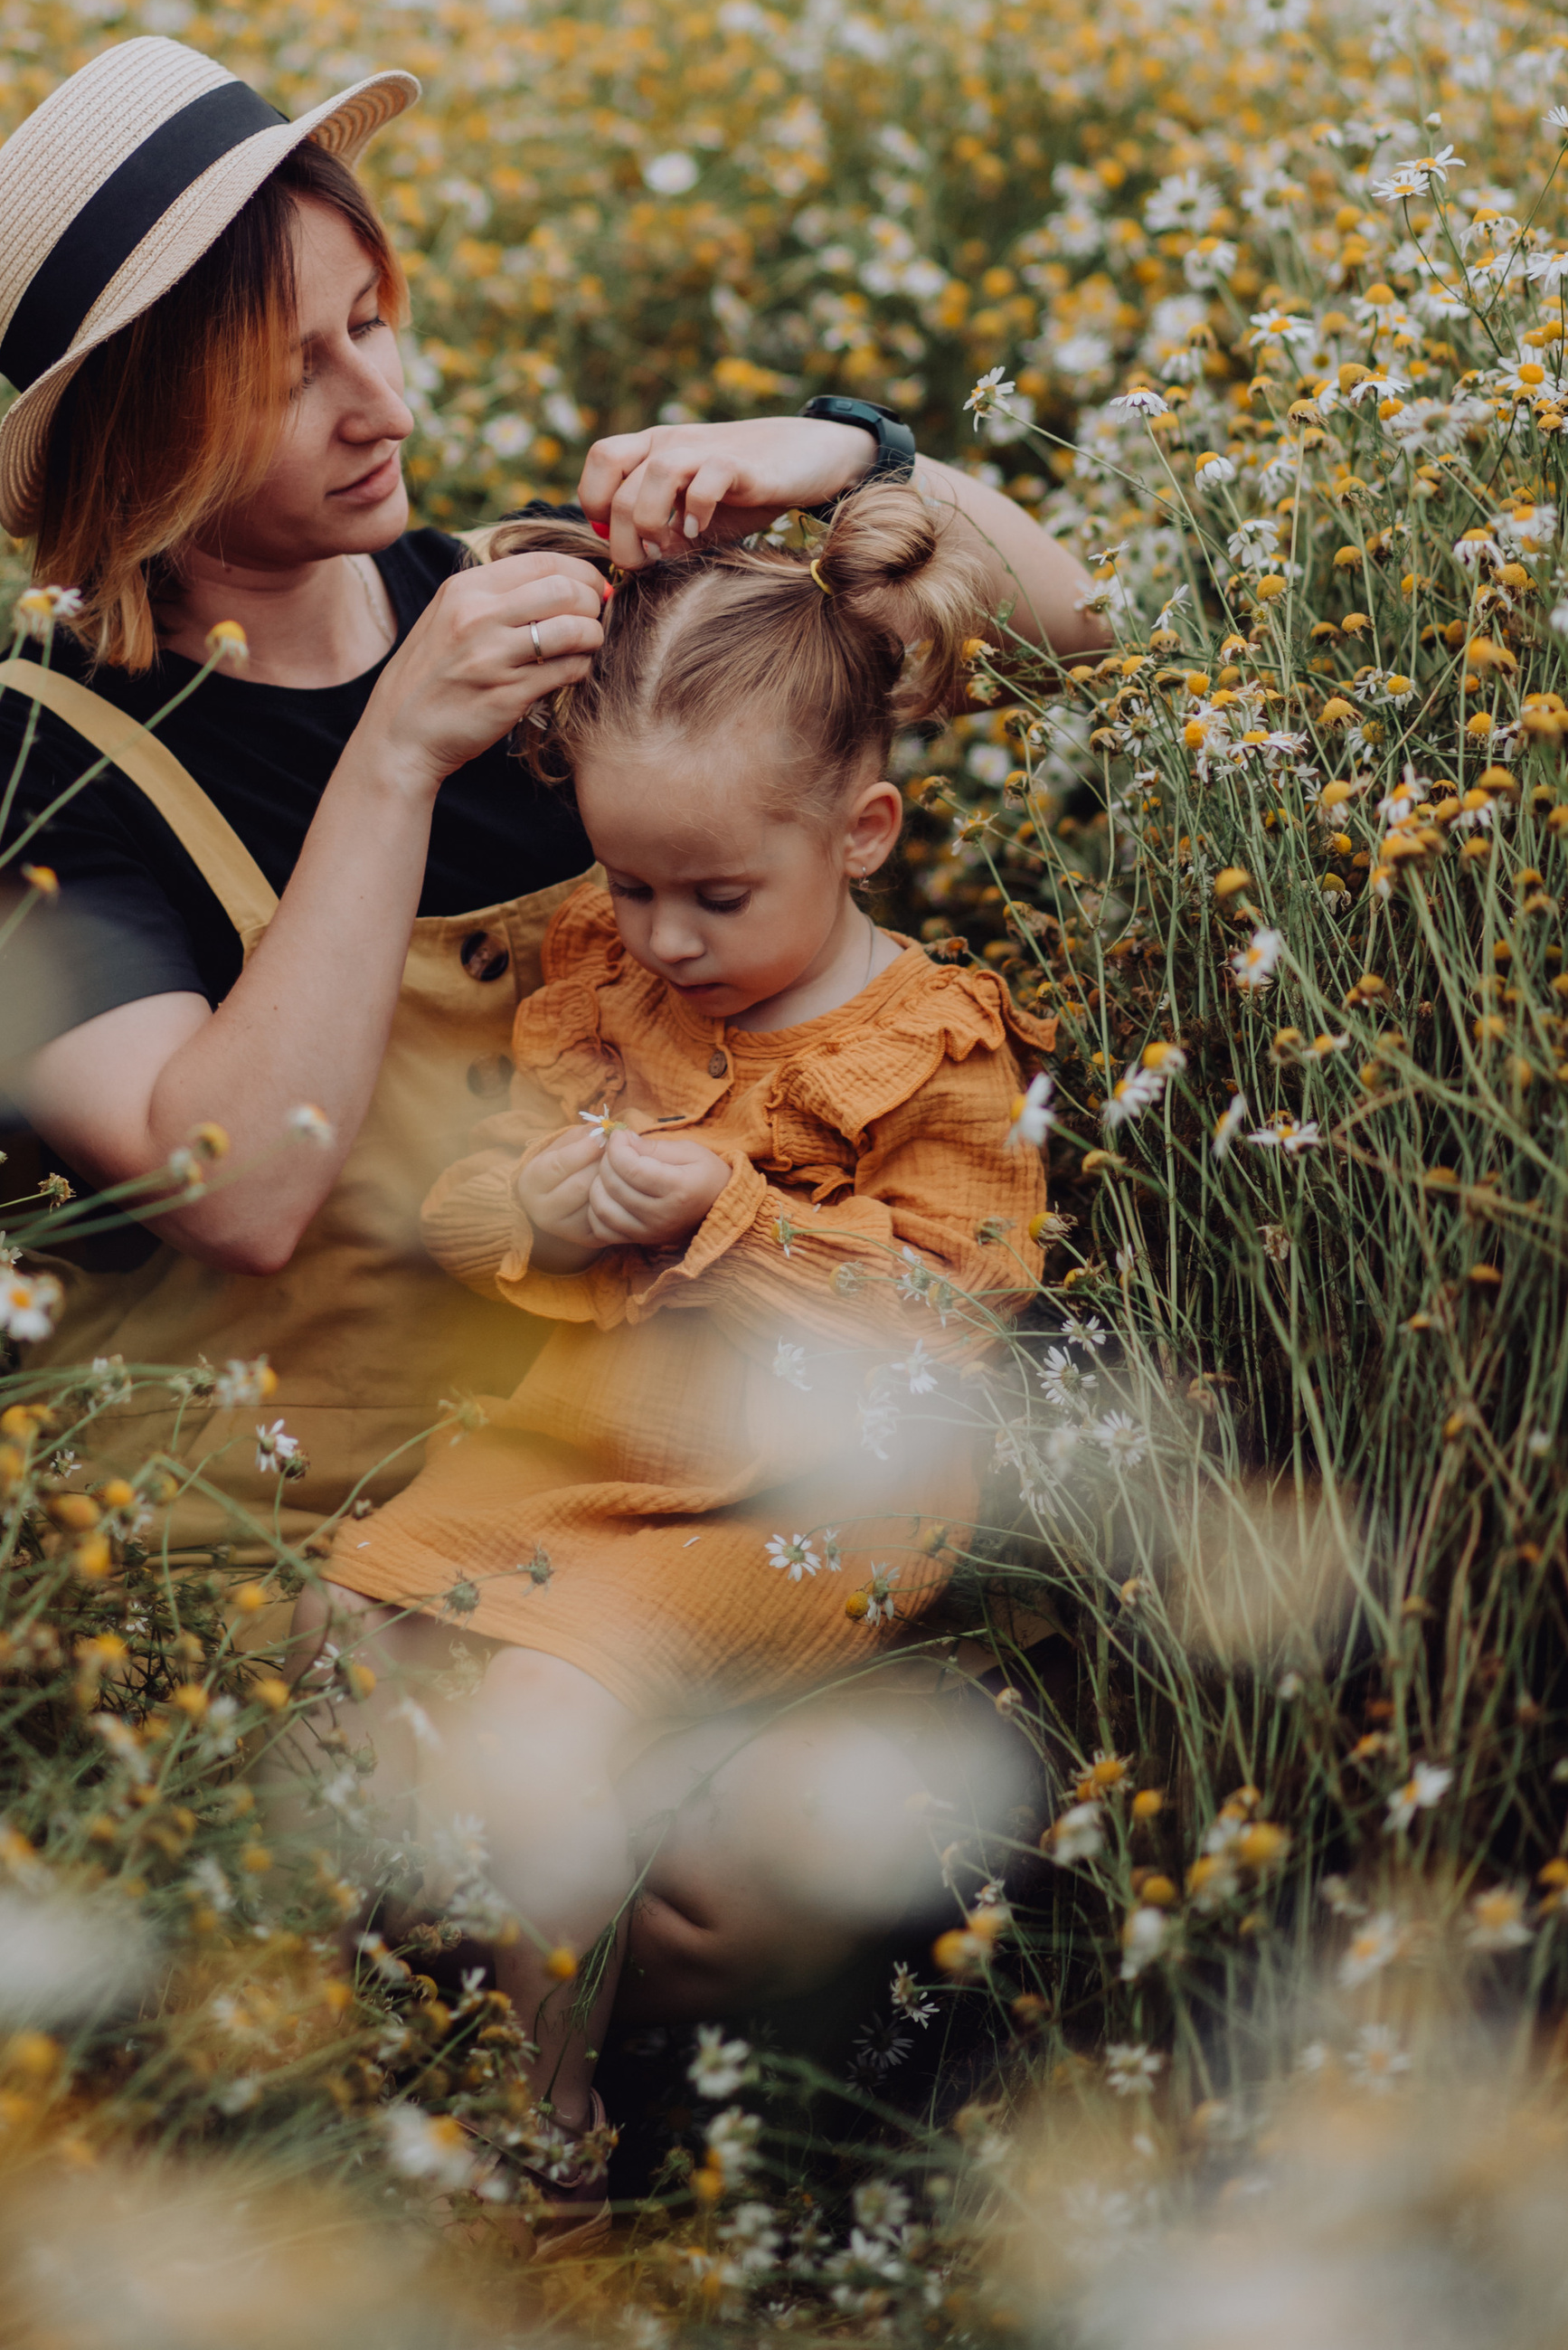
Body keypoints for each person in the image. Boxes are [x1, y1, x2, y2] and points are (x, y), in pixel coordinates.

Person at [0, 31, 1107, 2019]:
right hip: (287, 1541)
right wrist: (393, 757)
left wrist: (858, 462)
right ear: (143, 431)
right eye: (297, 367)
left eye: (376, 319)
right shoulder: (12, 766)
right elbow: (234, 1194)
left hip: (630, 1473)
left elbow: (1084, 652)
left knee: (752, 1870)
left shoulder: (538, 608)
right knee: (508, 1829)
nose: (387, 403)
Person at [302, 487, 1053, 2175]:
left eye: (713, 893)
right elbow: (470, 1212)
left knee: (547, 1730)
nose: (661, 937)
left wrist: (720, 1215)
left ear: (863, 832)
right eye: (631, 885)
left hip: (779, 1506)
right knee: (328, 1644)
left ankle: (544, 2131)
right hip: (574, 1452)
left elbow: (947, 1316)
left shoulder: (931, 1045)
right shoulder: (612, 974)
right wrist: (546, 1211)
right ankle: (344, 2031)